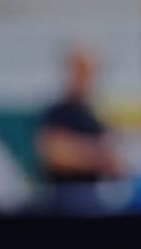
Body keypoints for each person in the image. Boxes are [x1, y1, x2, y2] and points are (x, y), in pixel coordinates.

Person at [35, 44, 120, 208]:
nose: (85, 77)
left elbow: (116, 163)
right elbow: (55, 154)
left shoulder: (95, 115)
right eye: (80, 70)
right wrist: (95, 155)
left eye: (90, 71)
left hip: (96, 197)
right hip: (63, 198)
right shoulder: (57, 112)